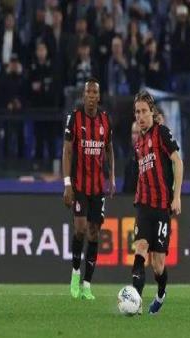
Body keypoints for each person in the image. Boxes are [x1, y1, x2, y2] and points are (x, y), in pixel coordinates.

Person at [131, 90, 183, 315]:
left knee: (158, 265)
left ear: (152, 112)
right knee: (140, 248)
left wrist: (177, 196)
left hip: (162, 207)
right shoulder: (138, 143)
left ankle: (161, 293)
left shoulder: (161, 132)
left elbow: (178, 162)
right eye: (137, 112)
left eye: (144, 111)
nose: (140, 116)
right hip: (143, 205)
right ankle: (136, 302)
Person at [62, 78, 115, 300]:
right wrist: (67, 183)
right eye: (88, 92)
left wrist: (112, 176)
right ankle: (75, 274)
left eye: (95, 92)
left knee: (94, 232)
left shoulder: (105, 120)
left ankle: (87, 284)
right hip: (79, 185)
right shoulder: (74, 118)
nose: (92, 96)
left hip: (98, 187)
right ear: (84, 95)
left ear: (99, 97)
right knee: (80, 228)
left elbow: (109, 149)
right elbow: (67, 151)